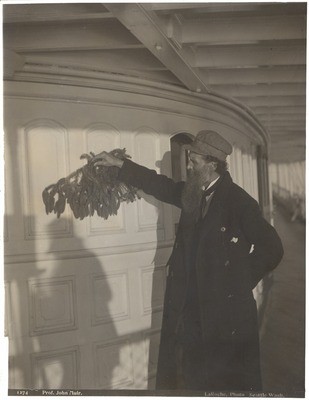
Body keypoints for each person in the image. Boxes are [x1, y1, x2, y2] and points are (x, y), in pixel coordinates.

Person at [93, 130, 284, 393]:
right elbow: (161, 185)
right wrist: (121, 165)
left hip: (227, 319)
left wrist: (235, 283)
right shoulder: (193, 193)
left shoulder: (239, 202)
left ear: (212, 164)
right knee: (191, 378)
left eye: (193, 161)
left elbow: (272, 248)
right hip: (193, 311)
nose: (188, 166)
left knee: (227, 383)